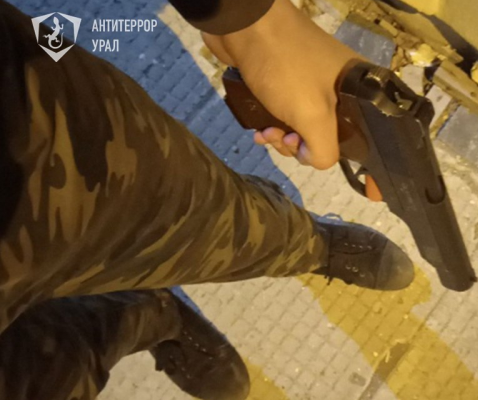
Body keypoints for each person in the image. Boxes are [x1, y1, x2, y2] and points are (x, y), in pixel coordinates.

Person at [0, 0, 415, 399]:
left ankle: (304, 245)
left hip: (28, 155)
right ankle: (147, 315)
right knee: (55, 375)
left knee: (199, 217)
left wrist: (252, 22)